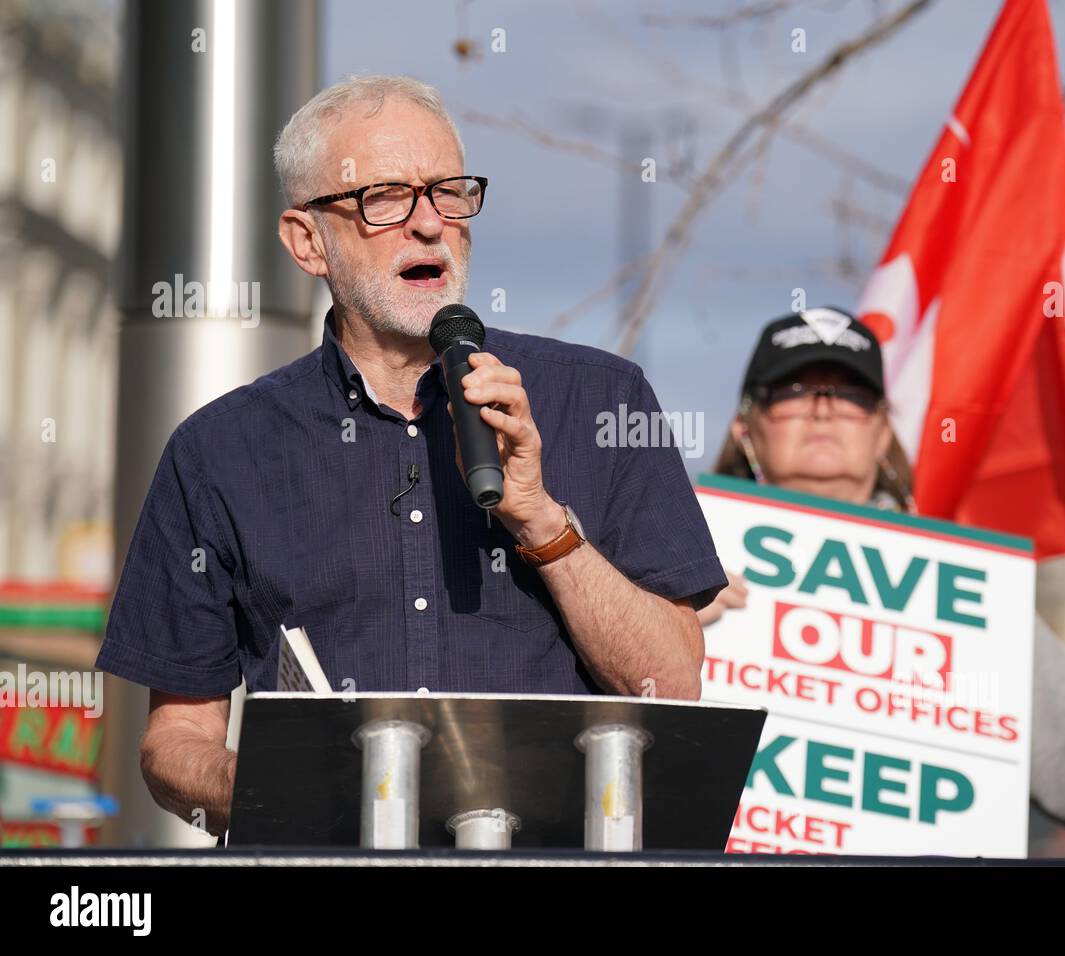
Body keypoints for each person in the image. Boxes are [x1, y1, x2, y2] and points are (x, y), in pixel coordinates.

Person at [96, 75, 726, 836]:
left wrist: (539, 519)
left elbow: (672, 684)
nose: (429, 224)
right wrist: (290, 786)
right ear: (307, 241)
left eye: (449, 193)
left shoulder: (603, 402)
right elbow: (174, 746)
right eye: (385, 198)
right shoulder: (219, 451)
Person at [700, 307, 1065, 860]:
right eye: (793, 391)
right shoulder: (668, 564)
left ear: (883, 433)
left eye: (851, 392)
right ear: (747, 427)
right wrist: (662, 623)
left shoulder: (968, 591)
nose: (824, 407)